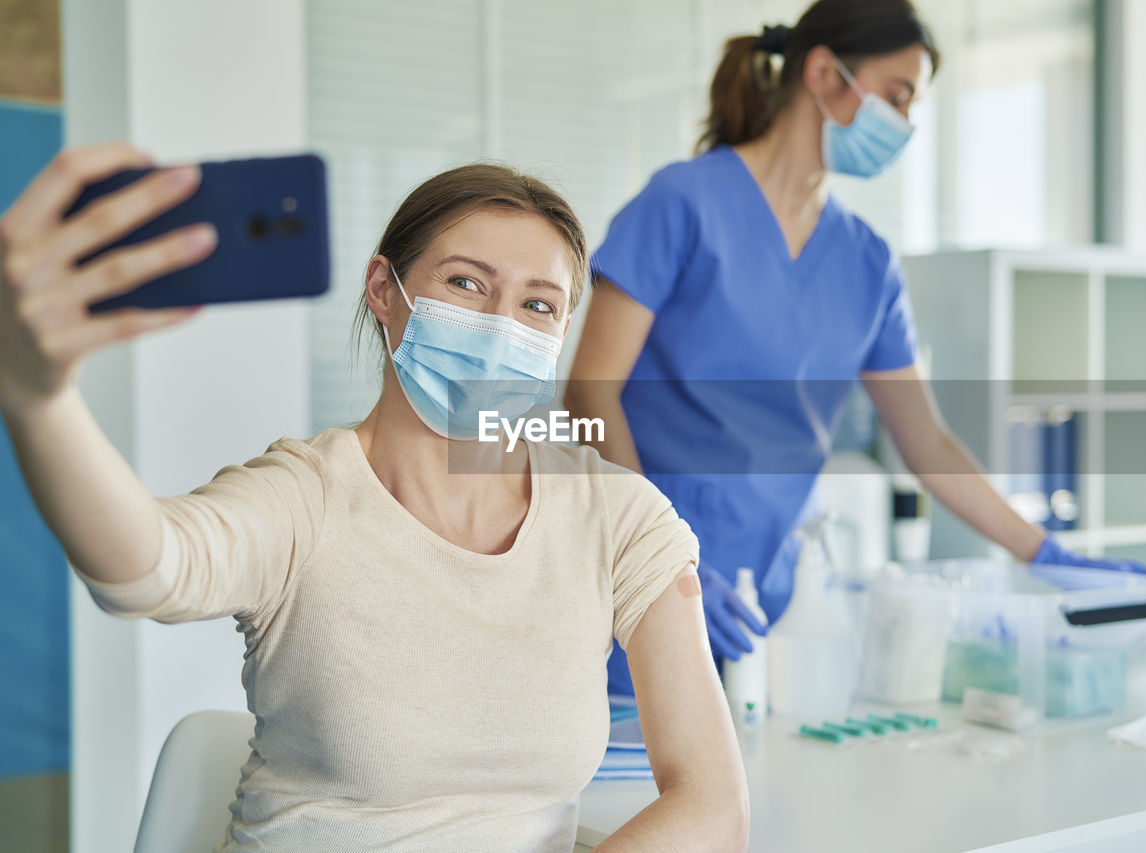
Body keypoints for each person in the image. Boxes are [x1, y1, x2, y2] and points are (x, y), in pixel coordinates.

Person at [0, 144, 749, 852]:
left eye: (539, 304)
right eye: (466, 283)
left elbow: (713, 804)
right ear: (384, 291)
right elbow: (145, 568)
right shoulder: (305, 498)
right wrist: (37, 397)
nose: (499, 325)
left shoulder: (616, 515)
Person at [565, 0, 1146, 694]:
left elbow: (927, 441)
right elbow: (588, 391)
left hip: (769, 601)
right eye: (898, 96)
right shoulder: (682, 204)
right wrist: (657, 555)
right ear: (824, 72)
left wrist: (1045, 550)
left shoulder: (866, 261)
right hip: (635, 579)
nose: (905, 124)